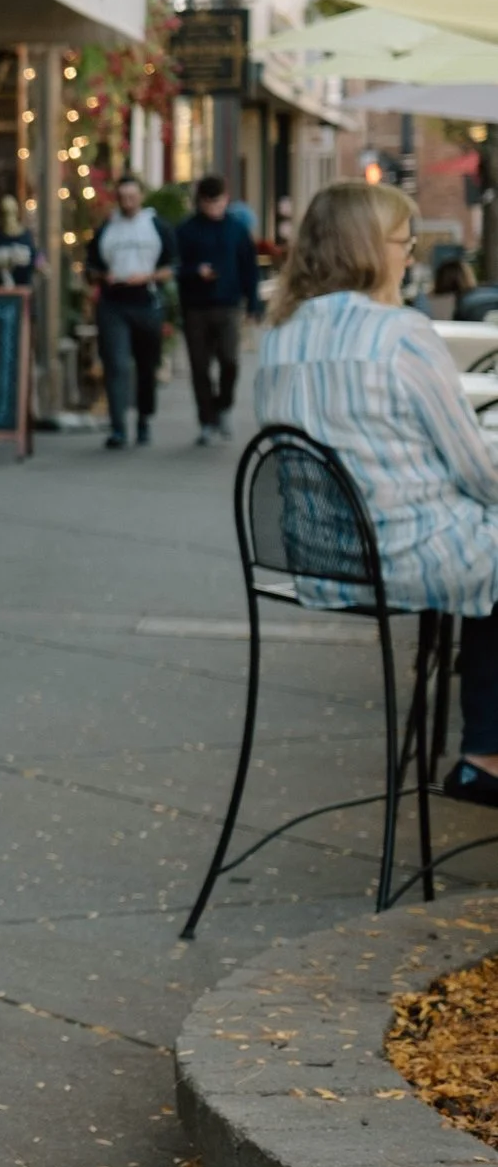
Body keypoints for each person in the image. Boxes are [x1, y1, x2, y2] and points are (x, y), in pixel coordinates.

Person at [252, 179, 498, 806]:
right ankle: (483, 753)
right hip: (406, 556)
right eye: (403, 241)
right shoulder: (399, 334)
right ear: (367, 248)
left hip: (321, 561)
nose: (411, 254)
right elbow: (476, 472)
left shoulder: (277, 338)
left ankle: (482, 746)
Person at [173, 170, 262, 444]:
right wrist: (194, 272)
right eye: (209, 202)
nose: (215, 207)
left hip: (228, 304)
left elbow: (249, 267)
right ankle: (207, 421)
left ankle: (224, 406)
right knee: (199, 367)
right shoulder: (186, 230)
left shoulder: (236, 229)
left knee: (230, 360)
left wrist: (254, 303)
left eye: (219, 202)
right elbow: (175, 267)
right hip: (196, 306)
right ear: (200, 202)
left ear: (226, 199)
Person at [87, 172, 171, 450]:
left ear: (140, 197)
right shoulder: (108, 228)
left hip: (146, 301)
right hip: (114, 303)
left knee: (146, 366)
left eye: (132, 197)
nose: (128, 202)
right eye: (123, 198)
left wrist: (147, 277)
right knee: (117, 364)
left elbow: (171, 268)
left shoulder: (156, 226)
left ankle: (144, 420)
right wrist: (101, 276)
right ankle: (118, 426)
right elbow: (92, 266)